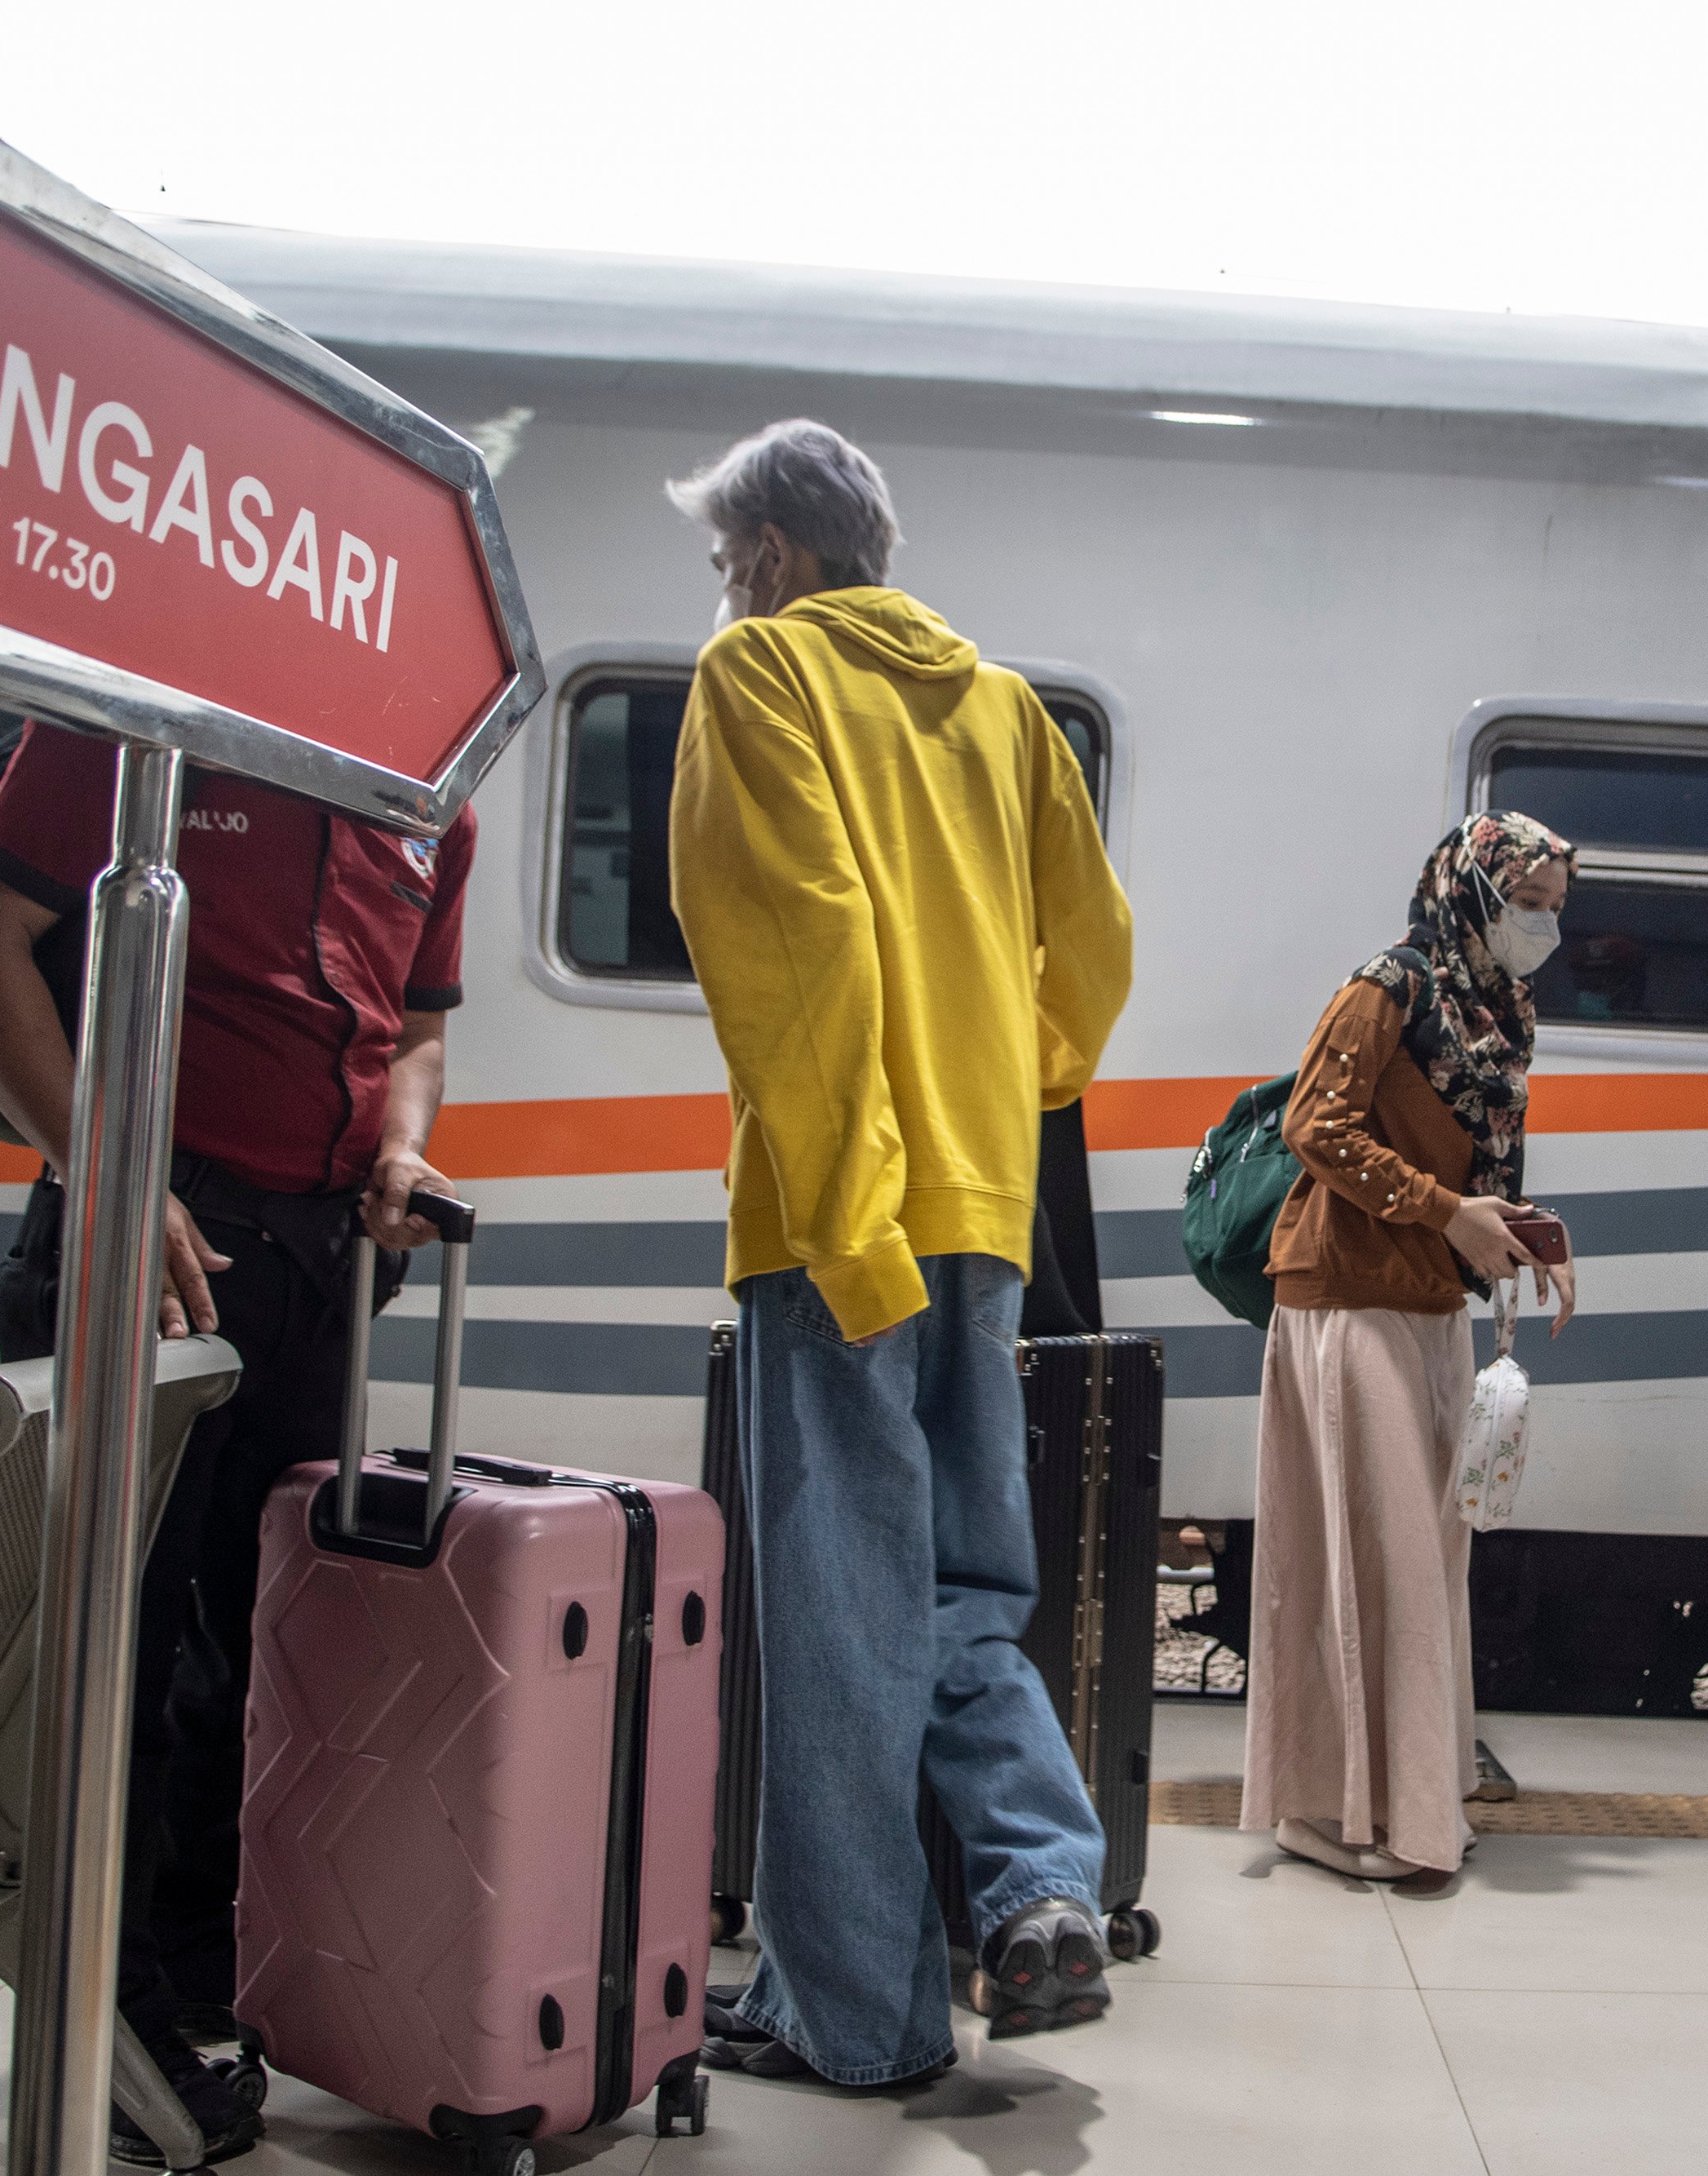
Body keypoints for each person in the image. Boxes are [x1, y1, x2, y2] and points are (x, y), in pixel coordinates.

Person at [0, 722, 470, 2162]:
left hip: (316, 1257)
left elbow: (414, 1027)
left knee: (267, 1633)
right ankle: (97, 2007)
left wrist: (403, 1146)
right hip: (141, 1227)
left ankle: (196, 1965)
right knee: (120, 1642)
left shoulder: (425, 789)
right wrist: (115, 1169)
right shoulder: (132, 732)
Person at [668, 419, 1136, 2087]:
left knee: (839, 1618)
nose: (726, 594)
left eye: (728, 565)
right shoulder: (1004, 708)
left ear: (777, 555)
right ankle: (1039, 1889)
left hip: (836, 1222)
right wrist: (1000, 1100)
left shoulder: (760, 677)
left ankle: (847, 2019)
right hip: (980, 1210)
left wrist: (853, 1211)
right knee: (963, 1587)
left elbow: (795, 950)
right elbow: (1089, 953)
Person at [1241, 813, 1582, 1883]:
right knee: (1364, 1556)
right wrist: (1447, 1213)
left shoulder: (1500, 1003)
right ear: (1473, 891)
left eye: (1553, 911)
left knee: (1421, 1561)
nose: (1542, 929)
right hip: (1345, 1294)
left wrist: (1517, 1230)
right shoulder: (1391, 983)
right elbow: (1316, 1125)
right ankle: (1334, 1813)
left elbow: (1477, 1167)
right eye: (1527, 905)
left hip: (1428, 1298)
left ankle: (1406, 1807)